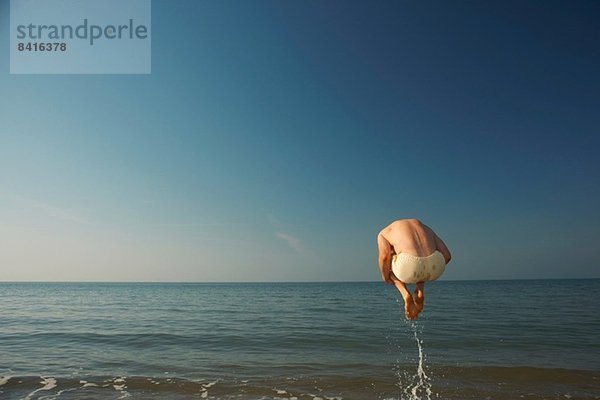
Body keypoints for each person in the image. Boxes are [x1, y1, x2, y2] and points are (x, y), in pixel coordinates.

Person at [377, 219, 451, 320]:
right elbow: (447, 255)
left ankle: (405, 294)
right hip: (436, 265)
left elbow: (384, 257)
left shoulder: (384, 233)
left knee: (387, 267)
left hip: (410, 265)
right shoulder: (426, 228)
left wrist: (386, 276)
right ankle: (419, 290)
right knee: (422, 265)